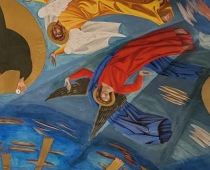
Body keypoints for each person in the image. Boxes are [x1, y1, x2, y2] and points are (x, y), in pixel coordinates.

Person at [61, 26, 196, 143]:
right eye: (107, 98)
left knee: (143, 43)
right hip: (130, 65)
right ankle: (180, 46)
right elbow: (135, 87)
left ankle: (173, 34)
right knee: (151, 52)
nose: (106, 96)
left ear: (100, 94)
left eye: (103, 97)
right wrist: (140, 76)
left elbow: (85, 72)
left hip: (120, 56)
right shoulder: (118, 90)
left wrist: (69, 77)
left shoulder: (98, 80)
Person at [27, 0, 172, 62]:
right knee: (121, 4)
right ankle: (154, 9)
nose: (57, 32)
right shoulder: (73, 29)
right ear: (62, 34)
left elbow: (48, 0)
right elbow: (69, 47)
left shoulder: (57, 11)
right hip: (96, 8)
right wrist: (56, 53)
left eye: (54, 32)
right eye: (58, 34)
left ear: (53, 28)